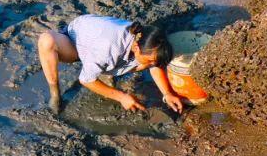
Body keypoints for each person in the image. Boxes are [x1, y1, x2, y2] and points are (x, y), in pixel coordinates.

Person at [37, 15, 185, 115]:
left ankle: (106, 70)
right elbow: (86, 80)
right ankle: (55, 93)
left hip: (104, 47)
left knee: (148, 61)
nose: (153, 64)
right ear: (136, 48)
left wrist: (167, 93)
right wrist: (121, 97)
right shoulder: (108, 49)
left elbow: (155, 64)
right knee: (46, 41)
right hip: (76, 43)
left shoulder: (144, 39)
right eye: (151, 60)